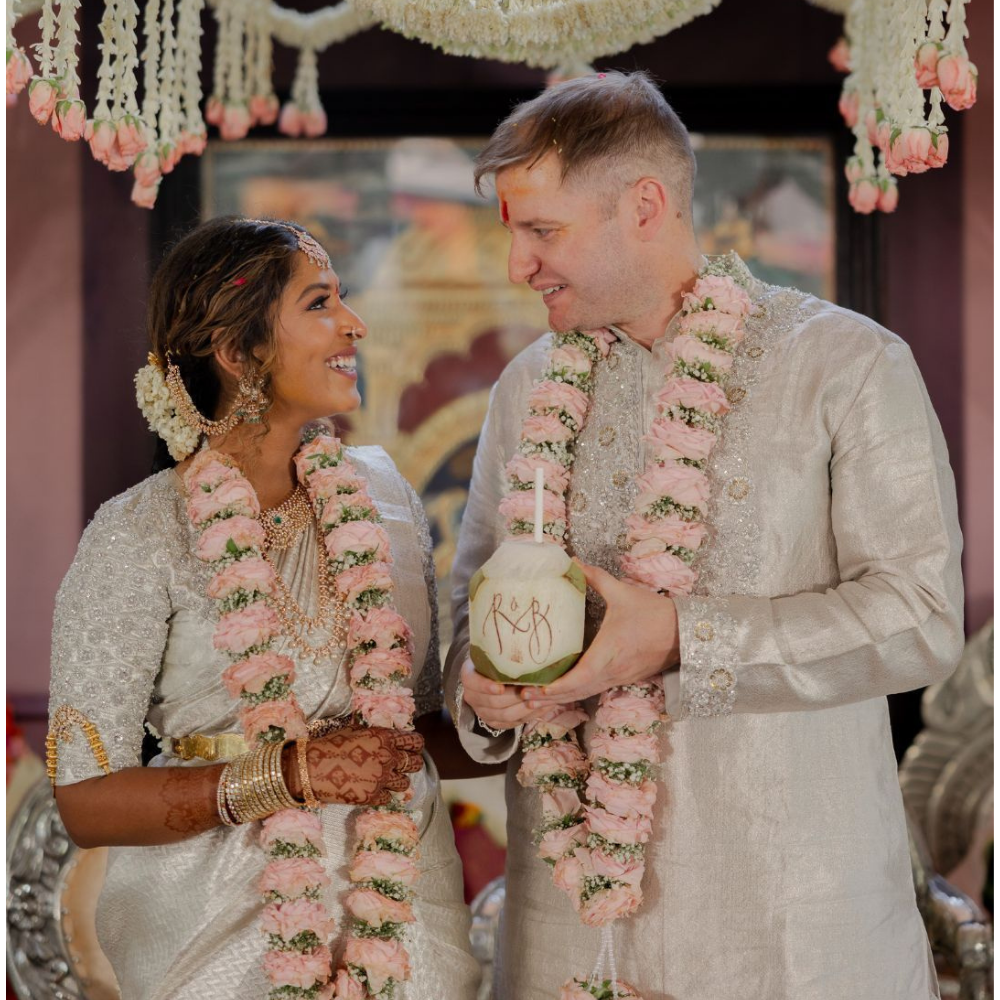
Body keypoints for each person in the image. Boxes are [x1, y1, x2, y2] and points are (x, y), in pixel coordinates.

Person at [445, 72, 963, 999]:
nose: (519, 265)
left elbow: (922, 617)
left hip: (793, 923)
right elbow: (469, 610)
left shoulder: (846, 363)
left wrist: (684, 636)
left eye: (543, 230)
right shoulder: (527, 386)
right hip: (568, 925)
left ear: (644, 206)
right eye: (513, 233)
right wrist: (478, 684)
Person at [46, 217, 482, 1000]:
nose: (355, 324)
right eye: (320, 303)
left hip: (404, 916)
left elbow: (413, 735)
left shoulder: (385, 499)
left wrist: (520, 707)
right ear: (237, 350)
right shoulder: (139, 534)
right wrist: (288, 775)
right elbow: (86, 801)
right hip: (217, 924)